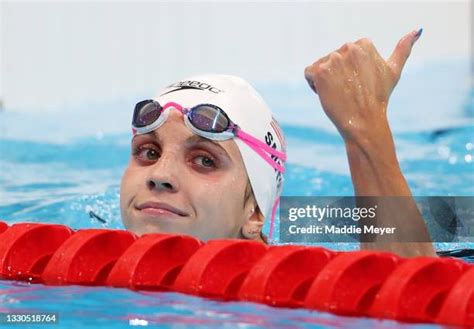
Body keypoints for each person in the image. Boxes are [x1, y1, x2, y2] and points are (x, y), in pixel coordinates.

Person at [120, 29, 436, 257]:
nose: (159, 176)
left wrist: (366, 128)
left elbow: (412, 299)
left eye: (204, 160)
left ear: (255, 211)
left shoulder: (297, 286)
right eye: (148, 152)